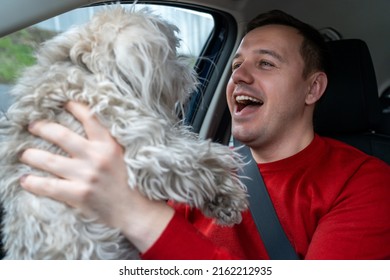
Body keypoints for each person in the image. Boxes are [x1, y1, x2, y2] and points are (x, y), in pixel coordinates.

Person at [18, 10, 390, 259]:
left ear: (312, 89)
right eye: (236, 65)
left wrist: (133, 212)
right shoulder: (195, 166)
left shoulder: (366, 183)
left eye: (265, 63)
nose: (240, 77)